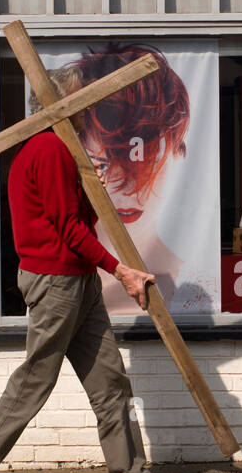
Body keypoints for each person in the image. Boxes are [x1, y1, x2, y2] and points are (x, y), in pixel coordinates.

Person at [0, 107, 188, 473]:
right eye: (85, 104)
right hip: (57, 281)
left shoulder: (62, 150)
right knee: (36, 378)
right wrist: (119, 270)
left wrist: (91, 184)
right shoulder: (49, 148)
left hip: (77, 280)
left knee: (110, 381)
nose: (92, 112)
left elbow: (79, 218)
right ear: (63, 108)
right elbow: (68, 227)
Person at [41, 43, 202, 316]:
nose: (128, 188)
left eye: (146, 162)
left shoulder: (194, 288)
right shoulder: (47, 152)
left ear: (176, 153)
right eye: (103, 162)